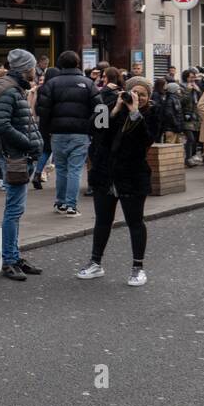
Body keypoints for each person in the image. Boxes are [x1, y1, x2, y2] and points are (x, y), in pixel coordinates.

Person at [77, 81, 159, 287]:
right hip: (105, 174)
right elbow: (94, 128)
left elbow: (146, 141)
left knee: (135, 222)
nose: (138, 97)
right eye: (134, 93)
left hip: (132, 175)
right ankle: (95, 263)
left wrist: (134, 113)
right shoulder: (109, 106)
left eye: (143, 94)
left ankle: (137, 268)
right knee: (102, 221)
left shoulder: (151, 114)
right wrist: (114, 109)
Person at [0, 49, 44, 281]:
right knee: (13, 209)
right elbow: (1, 125)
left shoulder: (16, 88)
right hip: (14, 156)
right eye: (32, 67)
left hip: (20, 154)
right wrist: (27, 143)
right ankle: (9, 260)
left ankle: (14, 255)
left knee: (16, 209)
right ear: (25, 68)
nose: (35, 71)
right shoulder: (10, 91)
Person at [34, 51, 96, 217]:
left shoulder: (51, 84)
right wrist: (97, 129)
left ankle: (60, 202)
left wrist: (46, 131)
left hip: (58, 133)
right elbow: (100, 109)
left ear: (60, 64)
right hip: (80, 133)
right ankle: (71, 205)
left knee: (61, 169)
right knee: (75, 169)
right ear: (78, 63)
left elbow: (42, 111)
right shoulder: (88, 83)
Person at [28, 67, 56, 190]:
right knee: (56, 151)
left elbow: (35, 108)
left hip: (43, 123)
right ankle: (40, 174)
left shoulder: (40, 89)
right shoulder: (55, 89)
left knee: (45, 150)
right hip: (55, 123)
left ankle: (37, 173)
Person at [152, 77, 185, 146]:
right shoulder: (165, 98)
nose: (166, 86)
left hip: (172, 127)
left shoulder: (172, 98)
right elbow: (169, 113)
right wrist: (176, 124)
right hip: (169, 127)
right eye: (165, 84)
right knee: (169, 146)